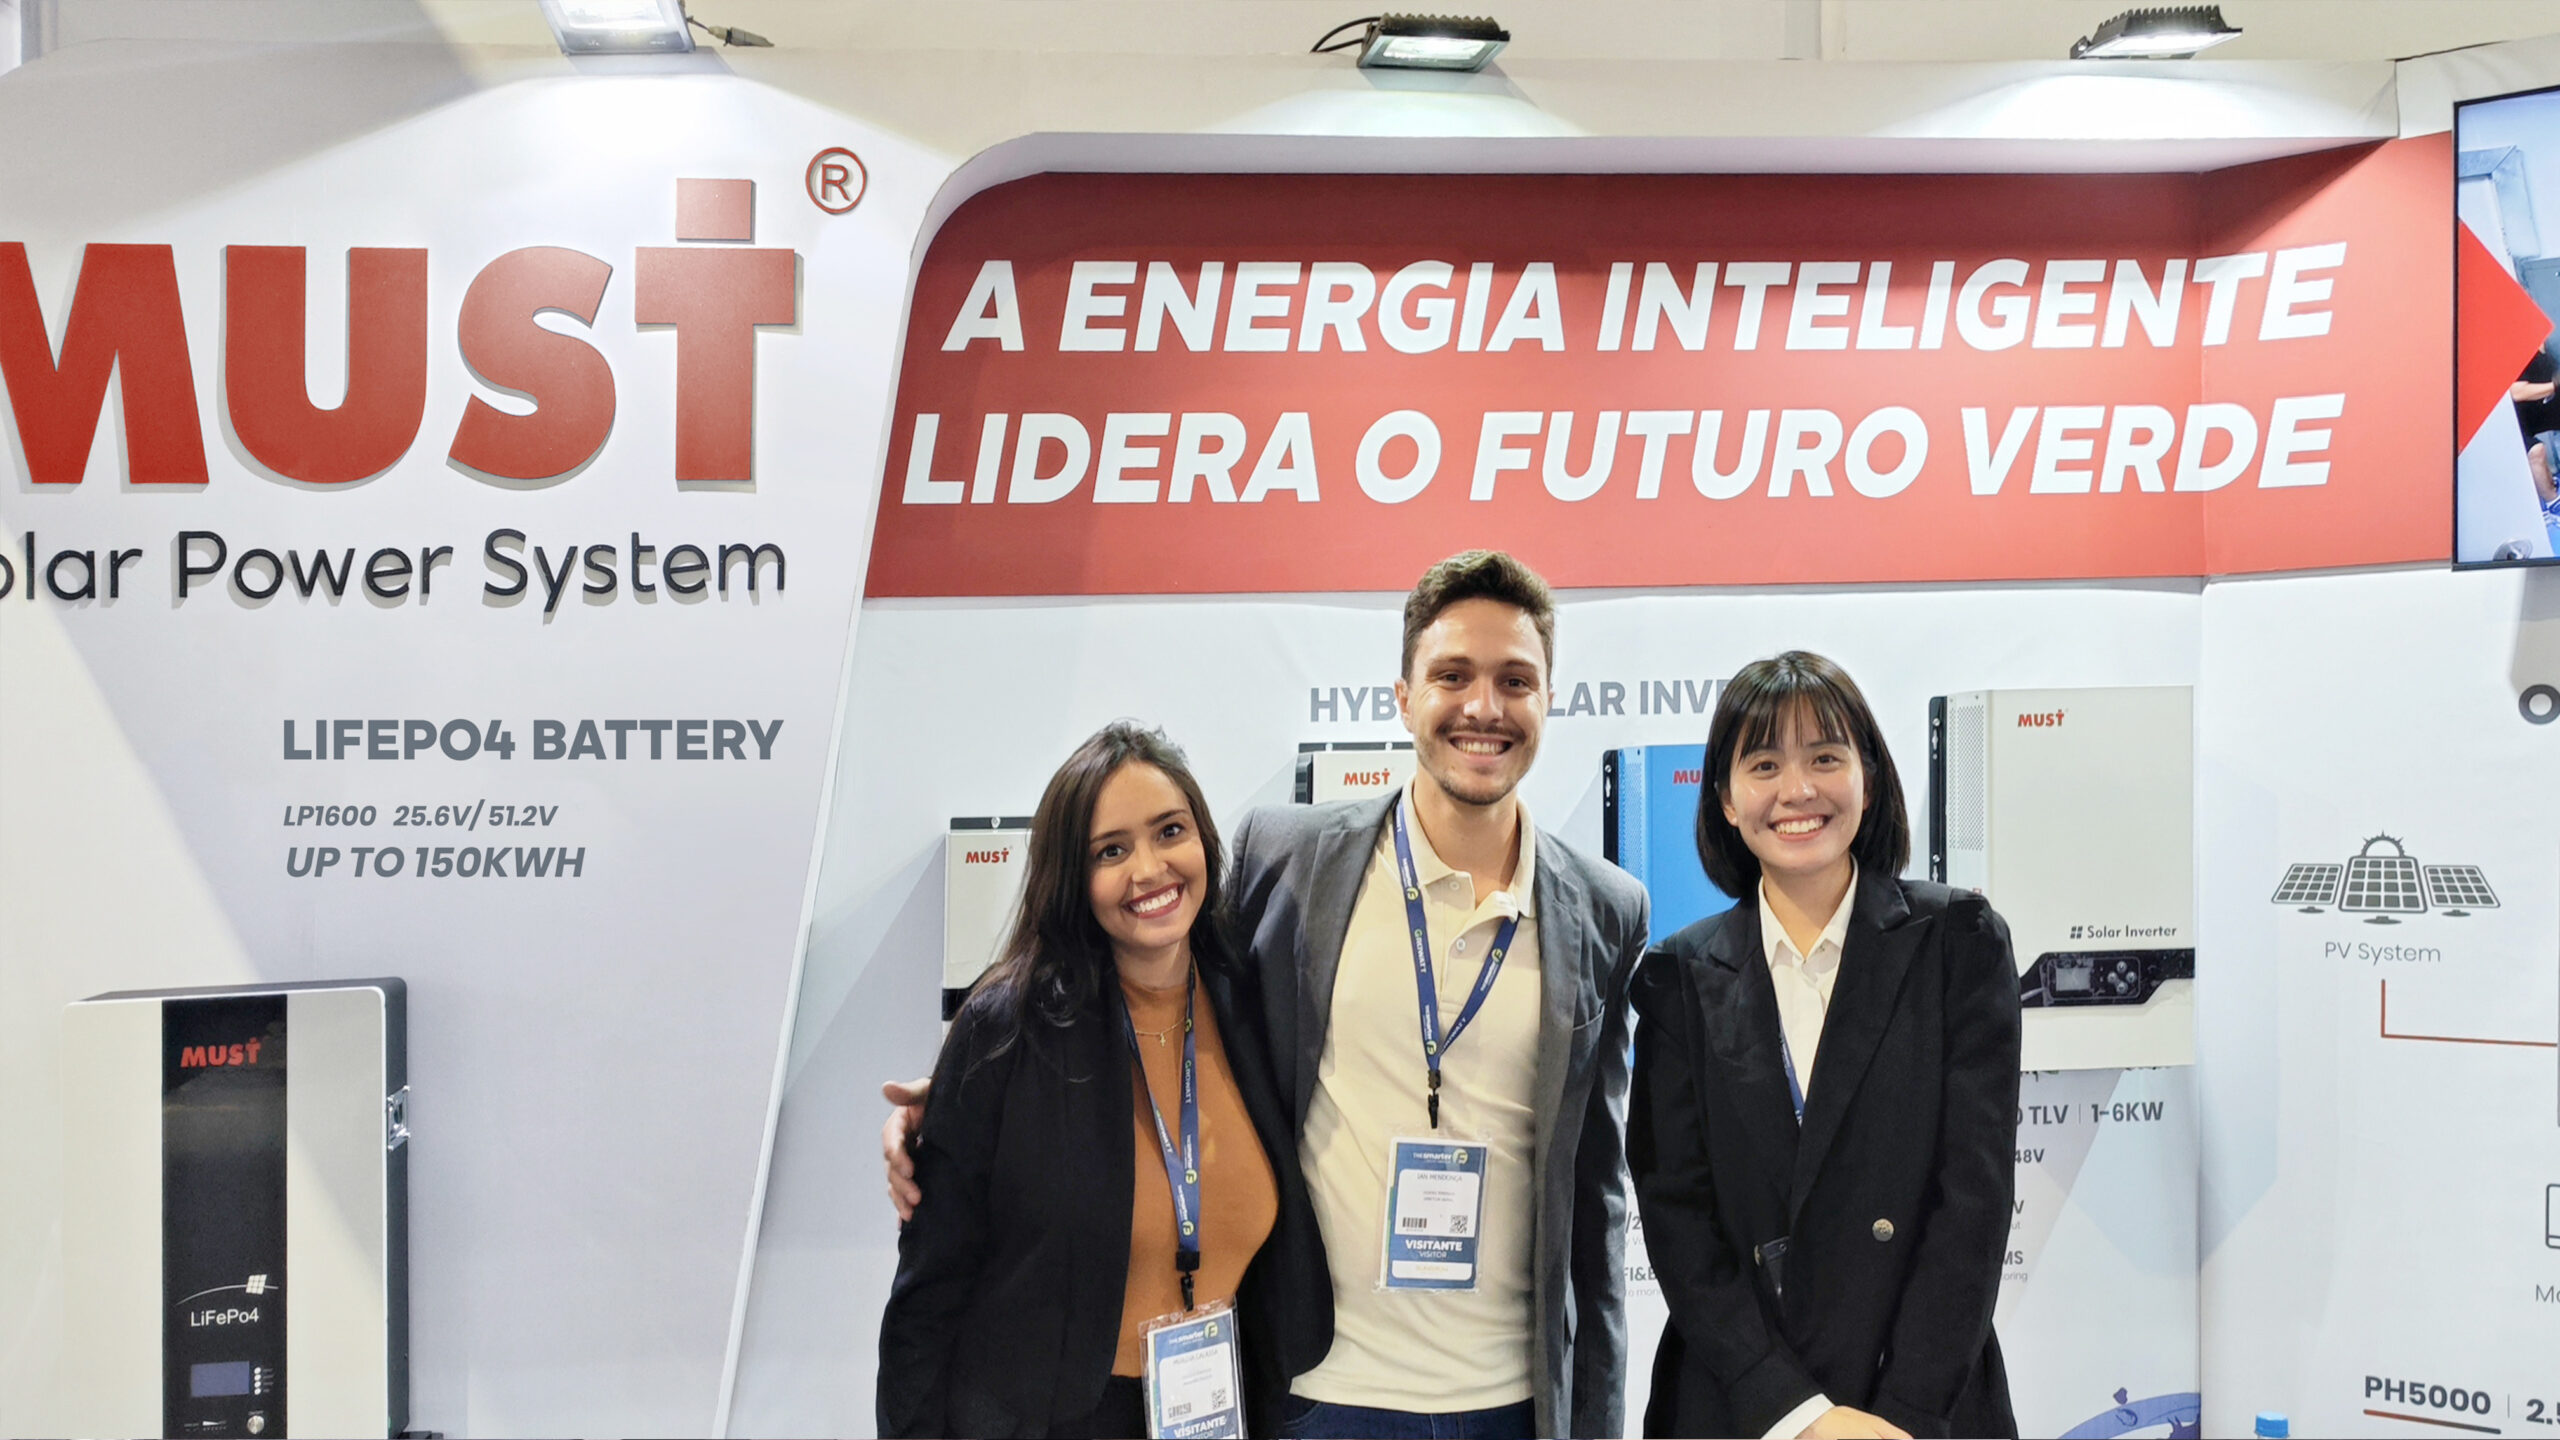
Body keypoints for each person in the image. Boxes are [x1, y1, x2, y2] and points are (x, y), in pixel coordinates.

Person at [888, 551, 1650, 1440]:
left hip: (1510, 1398)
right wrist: (959, 1108)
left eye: (1514, 680)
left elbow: (1596, 1194)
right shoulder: (1288, 859)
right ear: (1403, 697)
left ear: (1551, 698)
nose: (1483, 706)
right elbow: (1134, 984)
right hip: (1316, 1388)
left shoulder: (1607, 908)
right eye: (1452, 675)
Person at [1628, 652, 2020, 1440]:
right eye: (1764, 764)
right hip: (1744, 1404)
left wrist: (1902, 1413)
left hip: (1919, 1400)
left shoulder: (1957, 942)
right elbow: (1679, 1221)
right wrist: (1799, 1414)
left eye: (1826, 758)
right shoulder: (1679, 976)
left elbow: (1973, 1203)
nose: (1798, 790)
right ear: (1726, 799)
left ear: (1868, 778)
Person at [877, 722, 1302, 1438]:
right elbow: (928, 1299)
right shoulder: (1006, 1030)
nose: (1150, 869)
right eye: (1111, 851)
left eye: (1170, 831)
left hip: (1219, 1410)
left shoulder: (1252, 998)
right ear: (1071, 876)